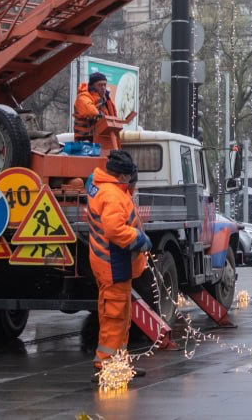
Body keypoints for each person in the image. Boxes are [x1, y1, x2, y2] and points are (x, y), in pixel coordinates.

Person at [87, 149, 151, 379]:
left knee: (120, 316)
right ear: (122, 176)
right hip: (113, 264)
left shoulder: (100, 186)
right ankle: (107, 366)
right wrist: (138, 239)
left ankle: (118, 363)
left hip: (112, 264)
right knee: (114, 317)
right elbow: (115, 230)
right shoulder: (112, 195)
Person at [74, 72, 117, 142]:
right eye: (100, 85)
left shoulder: (106, 99)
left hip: (103, 138)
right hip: (85, 140)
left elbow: (113, 116)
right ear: (92, 86)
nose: (103, 87)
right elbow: (92, 112)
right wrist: (106, 118)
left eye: (104, 85)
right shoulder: (83, 97)